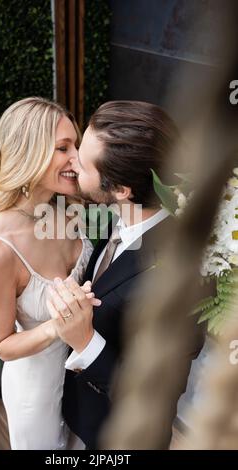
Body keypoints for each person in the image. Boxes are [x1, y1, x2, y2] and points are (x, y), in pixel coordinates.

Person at [47, 100, 205, 449]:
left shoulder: (183, 278)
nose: (69, 163)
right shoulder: (118, 216)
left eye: (82, 162)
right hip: (83, 414)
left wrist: (85, 341)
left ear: (121, 189)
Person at [0, 97, 98, 450]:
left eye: (76, 144)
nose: (77, 158)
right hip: (38, 399)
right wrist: (60, 325)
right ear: (29, 152)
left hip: (85, 382)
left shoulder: (66, 207)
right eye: (63, 148)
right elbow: (2, 346)